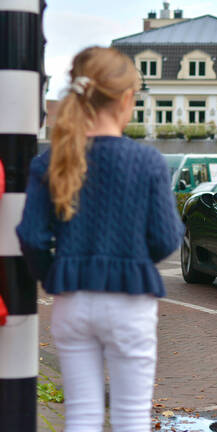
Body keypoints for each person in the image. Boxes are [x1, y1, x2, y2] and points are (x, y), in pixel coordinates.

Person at [16, 46, 184, 432]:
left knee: (82, 415)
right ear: (127, 99)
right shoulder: (148, 162)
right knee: (130, 418)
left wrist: (54, 275)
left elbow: (32, 236)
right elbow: (165, 238)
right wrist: (131, 256)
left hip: (72, 302)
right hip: (129, 304)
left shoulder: (50, 161)